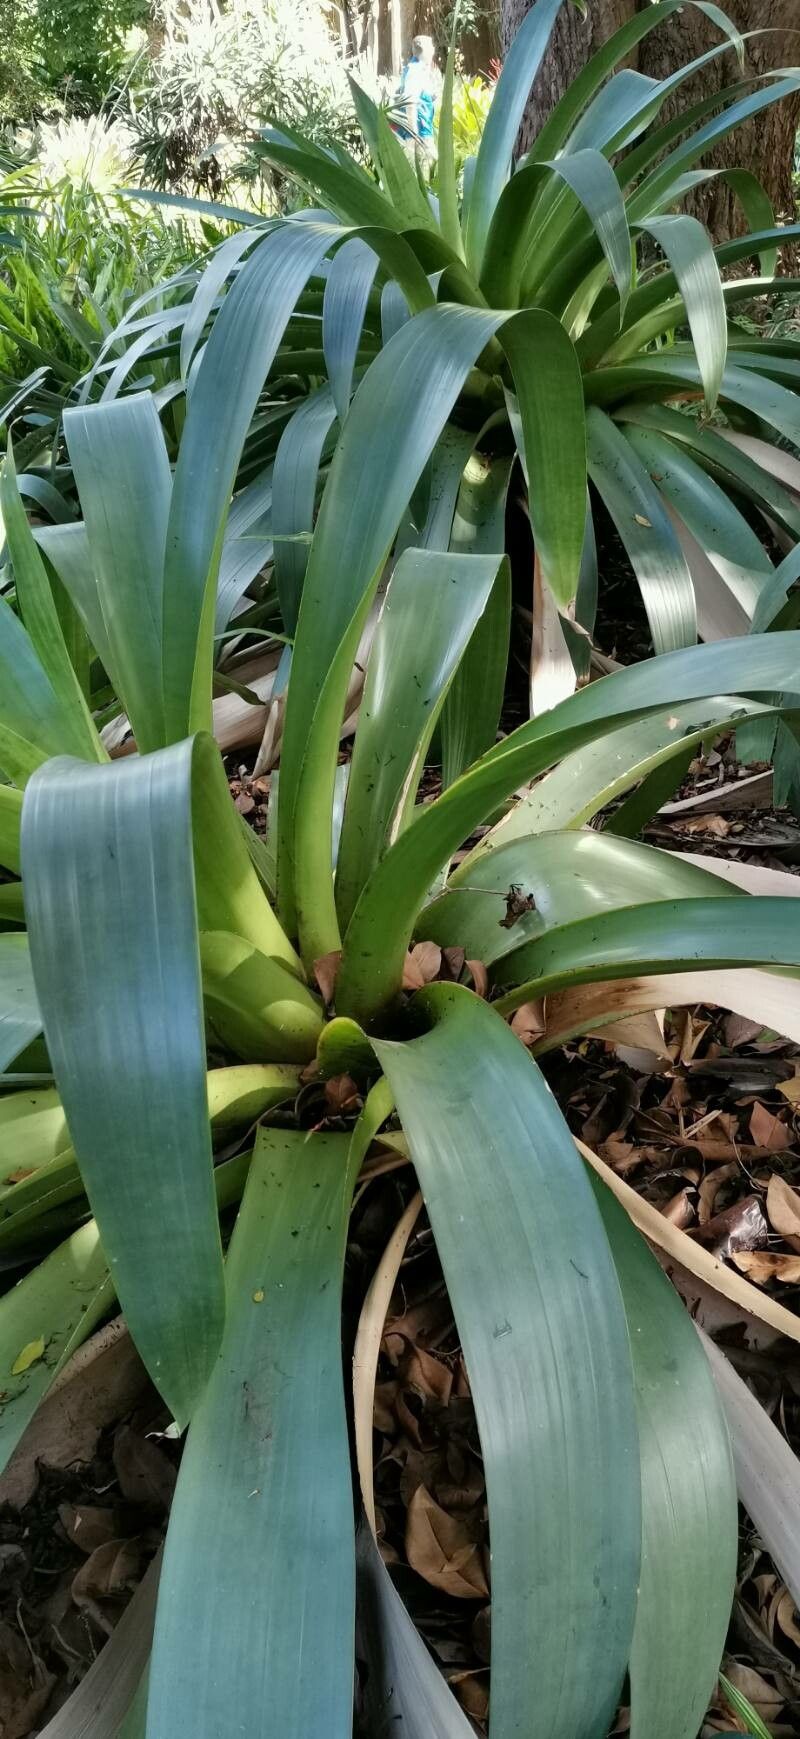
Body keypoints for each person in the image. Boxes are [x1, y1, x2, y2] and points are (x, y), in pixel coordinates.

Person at [397, 35, 441, 157]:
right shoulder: (415, 70)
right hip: (420, 133)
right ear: (424, 49)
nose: (433, 48)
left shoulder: (421, 69)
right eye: (431, 45)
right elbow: (410, 103)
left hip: (424, 130)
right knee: (428, 166)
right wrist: (413, 134)